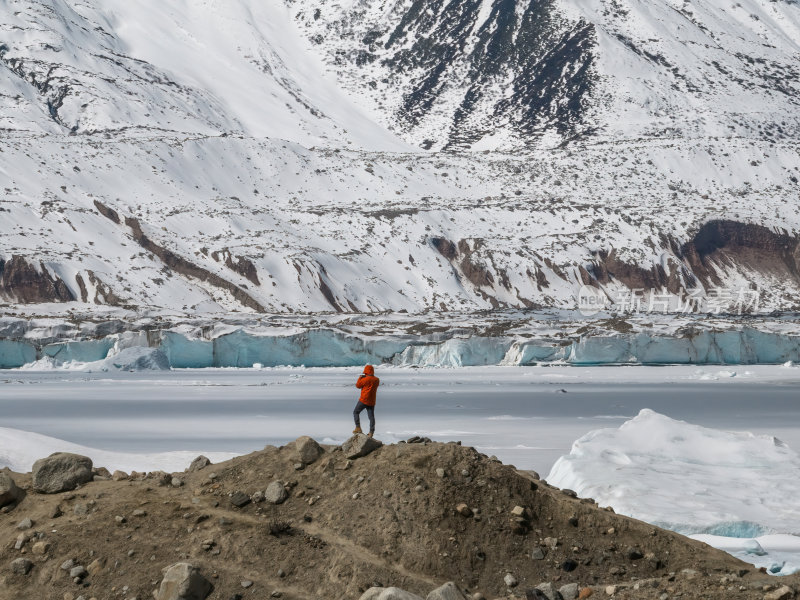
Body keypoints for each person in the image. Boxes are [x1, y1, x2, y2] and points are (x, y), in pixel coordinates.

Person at [353, 365, 380, 438]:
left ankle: (358, 427)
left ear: (366, 371)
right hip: (372, 401)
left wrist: (360, 377)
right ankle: (371, 432)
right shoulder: (377, 379)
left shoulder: (365, 379)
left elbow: (358, 385)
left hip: (364, 400)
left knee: (356, 412)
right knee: (371, 417)